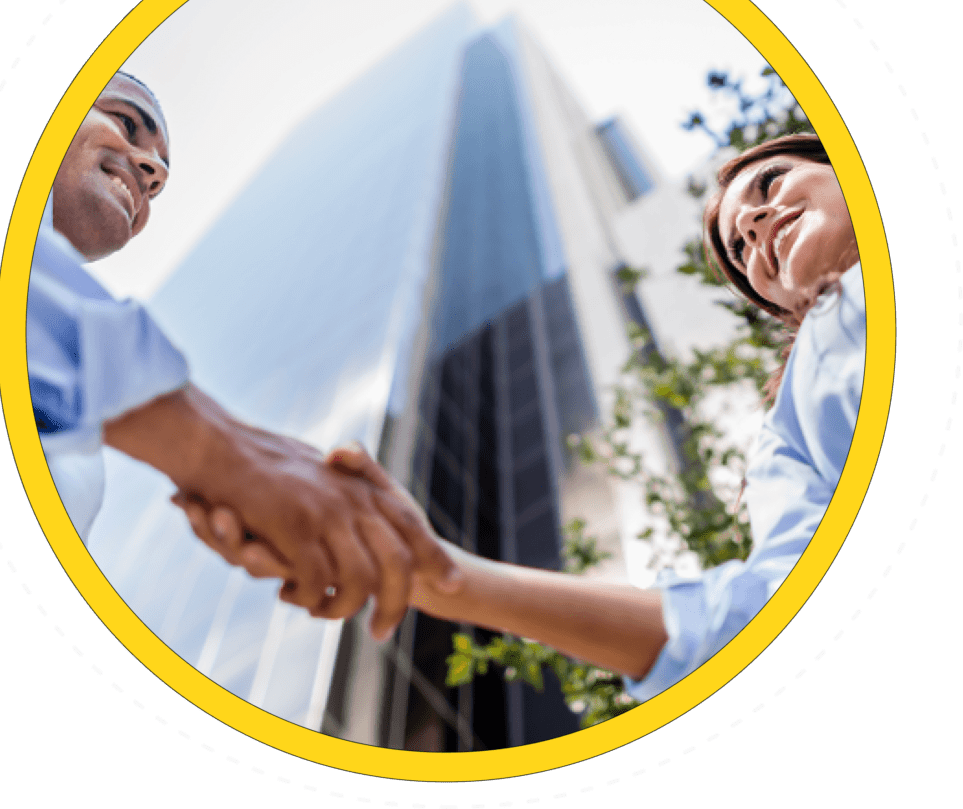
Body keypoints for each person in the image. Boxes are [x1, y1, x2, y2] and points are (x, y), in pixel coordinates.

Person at [186, 132, 865, 697]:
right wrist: (449, 579)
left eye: (772, 182)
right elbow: (767, 621)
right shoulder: (794, 431)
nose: (752, 224)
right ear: (779, 304)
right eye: (742, 255)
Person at [27, 71, 460, 642]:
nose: (151, 171)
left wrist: (428, 571)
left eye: (158, 182)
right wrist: (221, 453)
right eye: (128, 124)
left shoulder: (69, 439)